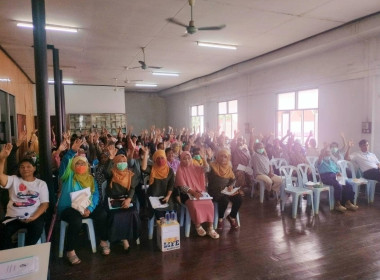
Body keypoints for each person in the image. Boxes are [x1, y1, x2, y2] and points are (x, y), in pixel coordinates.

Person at [58, 139, 109, 265]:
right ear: (73, 166)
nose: (80, 166)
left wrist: (90, 209)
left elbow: (95, 195)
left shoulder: (91, 179)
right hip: (69, 208)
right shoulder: (68, 176)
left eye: (83, 164)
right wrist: (72, 152)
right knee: (76, 220)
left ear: (87, 166)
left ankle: (103, 241)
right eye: (77, 164)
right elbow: (64, 164)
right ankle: (70, 250)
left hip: (86, 207)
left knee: (102, 214)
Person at [0, 143, 49, 249]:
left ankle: (26, 252)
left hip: (34, 216)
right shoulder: (14, 179)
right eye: (22, 167)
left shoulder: (41, 184)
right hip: (14, 217)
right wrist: (2, 158)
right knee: (2, 232)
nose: (25, 169)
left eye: (28, 166)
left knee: (36, 229)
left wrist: (34, 217)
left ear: (34, 168)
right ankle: (9, 256)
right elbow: (0, 177)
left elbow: (45, 204)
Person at [175, 151, 219, 239]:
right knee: (195, 204)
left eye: (188, 158)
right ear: (181, 160)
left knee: (209, 203)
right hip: (186, 194)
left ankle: (210, 227)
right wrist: (193, 193)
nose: (187, 160)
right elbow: (182, 187)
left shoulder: (195, 166)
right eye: (184, 159)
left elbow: (207, 169)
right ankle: (198, 225)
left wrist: (204, 159)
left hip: (199, 191)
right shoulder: (180, 169)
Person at [104, 148, 141, 252]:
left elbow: (133, 188)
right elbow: (106, 172)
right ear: (115, 163)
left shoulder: (130, 174)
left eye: (124, 162)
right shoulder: (112, 172)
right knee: (117, 215)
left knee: (132, 212)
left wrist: (129, 199)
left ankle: (125, 238)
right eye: (119, 161)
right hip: (111, 200)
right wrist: (111, 159)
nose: (122, 163)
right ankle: (123, 240)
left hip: (125, 199)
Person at [207, 148, 242, 230]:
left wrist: (231, 186)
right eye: (221, 156)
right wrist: (208, 158)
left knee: (239, 198)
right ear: (217, 157)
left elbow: (233, 180)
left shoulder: (228, 167)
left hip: (226, 191)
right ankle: (220, 219)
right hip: (215, 191)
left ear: (228, 158)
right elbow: (206, 169)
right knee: (224, 200)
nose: (223, 158)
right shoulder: (213, 166)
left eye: (225, 157)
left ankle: (232, 217)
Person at [141, 149, 174, 219]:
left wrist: (168, 196)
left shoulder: (170, 171)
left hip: (165, 197)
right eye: (158, 158)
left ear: (165, 158)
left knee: (171, 213)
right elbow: (143, 168)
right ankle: (161, 227)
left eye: (162, 158)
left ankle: (166, 227)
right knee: (160, 215)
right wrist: (146, 154)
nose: (160, 160)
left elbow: (171, 186)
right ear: (155, 160)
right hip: (153, 196)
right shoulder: (152, 169)